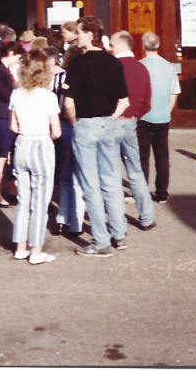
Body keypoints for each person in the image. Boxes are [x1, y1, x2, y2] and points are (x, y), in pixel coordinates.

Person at [63, 16, 130, 257]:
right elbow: (125, 100)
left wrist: (76, 123)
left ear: (90, 34)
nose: (76, 36)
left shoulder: (77, 64)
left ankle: (101, 241)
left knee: (90, 184)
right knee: (111, 181)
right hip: (108, 125)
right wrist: (110, 118)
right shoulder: (114, 63)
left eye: (79, 32)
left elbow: (69, 103)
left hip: (86, 125)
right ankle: (119, 234)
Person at [9, 49, 62, 265]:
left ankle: (20, 247)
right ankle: (36, 251)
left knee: (23, 201)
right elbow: (56, 131)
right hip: (41, 145)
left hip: (22, 144)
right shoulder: (48, 96)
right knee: (40, 202)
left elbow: (13, 126)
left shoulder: (16, 93)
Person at [109, 31, 156, 230]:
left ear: (121, 45)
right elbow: (147, 101)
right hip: (131, 123)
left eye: (111, 44)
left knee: (111, 174)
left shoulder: (111, 67)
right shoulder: (142, 67)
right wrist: (136, 114)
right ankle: (147, 217)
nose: (109, 48)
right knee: (135, 172)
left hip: (111, 121)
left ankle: (118, 223)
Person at [47, 45, 86, 238]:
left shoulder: (56, 79)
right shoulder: (83, 77)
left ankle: (61, 219)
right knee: (78, 176)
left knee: (65, 175)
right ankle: (76, 222)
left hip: (60, 125)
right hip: (78, 123)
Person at [138, 31, 180, 204]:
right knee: (162, 156)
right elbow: (174, 92)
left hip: (144, 117)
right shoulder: (169, 66)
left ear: (143, 46)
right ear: (159, 45)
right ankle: (162, 193)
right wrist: (167, 110)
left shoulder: (140, 66)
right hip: (163, 117)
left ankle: (141, 191)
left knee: (142, 157)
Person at [0, 41, 23, 207]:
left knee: (10, 155)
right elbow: (4, 94)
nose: (18, 60)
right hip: (2, 115)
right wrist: (20, 89)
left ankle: (12, 191)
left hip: (4, 114)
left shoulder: (3, 69)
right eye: (17, 56)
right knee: (2, 154)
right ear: (10, 54)